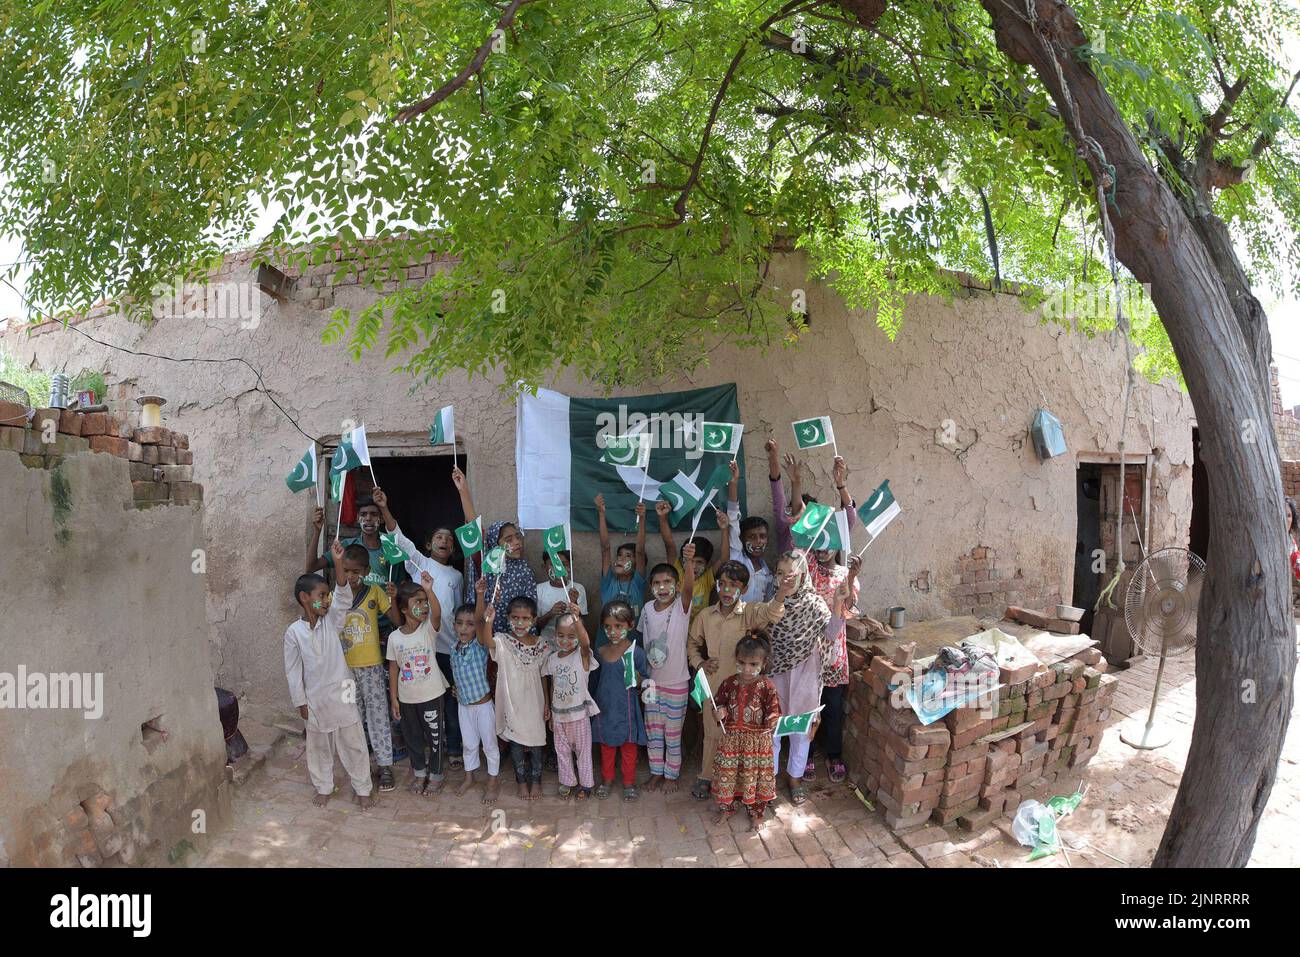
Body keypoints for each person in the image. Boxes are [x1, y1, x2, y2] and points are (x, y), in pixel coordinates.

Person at [373, 487, 467, 771]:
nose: (444, 541)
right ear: (428, 544)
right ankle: (426, 746)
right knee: (426, 698)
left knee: (450, 700)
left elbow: (458, 611)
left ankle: (452, 747)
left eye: (449, 540)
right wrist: (384, 507)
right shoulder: (420, 564)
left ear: (453, 549)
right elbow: (399, 540)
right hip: (424, 648)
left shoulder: (458, 575)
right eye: (439, 537)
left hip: (449, 648)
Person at [686, 559, 792, 799]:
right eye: (721, 584)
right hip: (714, 687)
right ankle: (706, 777)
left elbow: (772, 613)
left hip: (745, 689)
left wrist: (782, 592)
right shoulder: (705, 616)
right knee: (713, 733)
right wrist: (700, 663)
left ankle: (739, 782)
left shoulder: (750, 612)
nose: (726, 591)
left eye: (733, 585)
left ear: (743, 589)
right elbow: (692, 644)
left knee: (741, 735)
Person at [282, 541, 376, 809]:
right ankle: (324, 785)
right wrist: (300, 702)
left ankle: (362, 787)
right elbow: (293, 670)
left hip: (343, 693)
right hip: (315, 698)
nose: (326, 600)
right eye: (321, 595)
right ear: (304, 598)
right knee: (319, 745)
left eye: (327, 595)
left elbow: (344, 598)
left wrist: (337, 563)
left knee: (353, 743)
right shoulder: (294, 633)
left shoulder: (332, 622)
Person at [327, 543, 399, 793]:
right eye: (345, 571)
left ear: (367, 571)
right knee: (353, 717)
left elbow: (397, 621)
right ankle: (361, 765)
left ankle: (385, 764)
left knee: (378, 715)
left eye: (355, 572)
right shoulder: (335, 596)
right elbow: (320, 613)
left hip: (371, 665)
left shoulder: (375, 592)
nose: (350, 577)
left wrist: (393, 598)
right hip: (345, 669)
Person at [765, 551, 833, 806]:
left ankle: (794, 778)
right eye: (780, 573)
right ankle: (769, 778)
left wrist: (838, 606)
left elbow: (831, 632)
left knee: (802, 731)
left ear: (803, 575)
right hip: (775, 674)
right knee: (773, 729)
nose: (785, 578)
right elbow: (764, 628)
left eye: (791, 573)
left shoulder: (815, 604)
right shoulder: (772, 603)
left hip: (806, 674)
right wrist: (780, 596)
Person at [476, 579, 549, 800]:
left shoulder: (542, 644)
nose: (520, 623)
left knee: (537, 742)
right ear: (508, 619)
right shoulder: (503, 641)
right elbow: (486, 640)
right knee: (516, 743)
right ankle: (520, 781)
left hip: (535, 702)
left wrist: (547, 702)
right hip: (512, 700)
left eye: (526, 618)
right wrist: (489, 620)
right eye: (515, 618)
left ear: (534, 620)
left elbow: (545, 676)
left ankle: (535, 779)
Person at [709, 633, 783, 830]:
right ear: (736, 659)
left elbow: (774, 710)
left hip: (757, 745)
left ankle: (756, 812)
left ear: (764, 662)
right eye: (742, 663)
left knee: (754, 778)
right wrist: (719, 713)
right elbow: (718, 703)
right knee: (730, 776)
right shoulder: (729, 683)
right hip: (731, 742)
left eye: (753, 664)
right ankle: (727, 807)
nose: (747, 669)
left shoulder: (767, 686)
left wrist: (773, 721)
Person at [639, 543, 696, 793]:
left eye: (668, 582)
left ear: (676, 584)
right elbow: (644, 641)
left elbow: (689, 590)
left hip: (676, 684)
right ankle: (655, 773)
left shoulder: (681, 607)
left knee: (673, 734)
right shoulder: (646, 609)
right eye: (657, 583)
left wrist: (689, 563)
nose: (663, 587)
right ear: (651, 587)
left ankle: (671, 775)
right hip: (651, 683)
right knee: (653, 732)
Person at [454, 465, 536, 633]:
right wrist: (463, 490)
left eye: (517, 537)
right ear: (494, 544)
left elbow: (531, 606)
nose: (516, 542)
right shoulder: (486, 565)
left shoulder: (525, 569)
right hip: (489, 637)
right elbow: (474, 528)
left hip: (517, 639)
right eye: (508, 539)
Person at [386, 572, 448, 796]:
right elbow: (394, 668)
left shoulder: (428, 630)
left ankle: (437, 775)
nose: (424, 606)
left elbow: (438, 613)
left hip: (432, 694)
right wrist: (394, 698)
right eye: (418, 602)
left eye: (425, 602)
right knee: (412, 738)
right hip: (407, 698)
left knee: (435, 737)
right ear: (403, 609)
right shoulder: (395, 638)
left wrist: (429, 590)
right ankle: (420, 773)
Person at [808, 549, 861, 785]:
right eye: (818, 542)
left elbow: (848, 610)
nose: (822, 549)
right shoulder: (807, 570)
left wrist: (851, 576)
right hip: (808, 653)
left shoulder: (844, 574)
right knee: (807, 707)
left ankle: (833, 755)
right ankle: (805, 755)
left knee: (833, 707)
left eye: (828, 543)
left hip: (834, 655)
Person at [591, 600, 650, 802]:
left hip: (627, 710)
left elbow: (645, 678)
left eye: (619, 626)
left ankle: (628, 782)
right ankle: (607, 780)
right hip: (605, 708)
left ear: (631, 626)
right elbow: (594, 681)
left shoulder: (636, 653)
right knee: (606, 746)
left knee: (628, 747)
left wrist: (637, 678)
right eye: (608, 627)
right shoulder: (599, 653)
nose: (613, 631)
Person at [542, 608, 600, 799]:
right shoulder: (552, 660)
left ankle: (585, 784)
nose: (565, 640)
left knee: (583, 752)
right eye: (561, 636)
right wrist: (551, 709)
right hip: (559, 716)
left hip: (579, 716)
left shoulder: (582, 656)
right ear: (554, 635)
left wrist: (577, 620)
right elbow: (552, 686)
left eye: (571, 636)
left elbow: (585, 643)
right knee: (562, 751)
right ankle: (567, 781)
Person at [448, 602, 500, 803]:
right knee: (469, 744)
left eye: (469, 624)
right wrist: (456, 688)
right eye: (459, 623)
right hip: (464, 706)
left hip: (483, 707)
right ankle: (469, 776)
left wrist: (480, 596)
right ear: (453, 625)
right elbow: (458, 674)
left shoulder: (479, 646)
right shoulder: (453, 648)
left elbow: (480, 623)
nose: (463, 628)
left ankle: (492, 780)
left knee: (489, 745)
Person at [308, 494, 408, 589]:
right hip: (352, 606)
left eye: (373, 514)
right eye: (363, 514)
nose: (368, 518)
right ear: (357, 518)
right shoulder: (347, 546)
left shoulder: (391, 547)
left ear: (381, 519)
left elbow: (400, 585)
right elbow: (311, 567)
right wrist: (317, 531)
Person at [723, 457, 775, 602]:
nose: (758, 541)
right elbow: (732, 519)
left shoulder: (768, 574)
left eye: (762, 536)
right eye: (752, 537)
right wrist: (733, 483)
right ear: (741, 539)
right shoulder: (737, 557)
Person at [656, 499, 718, 620]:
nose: (693, 566)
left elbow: (725, 558)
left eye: (699, 562)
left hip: (696, 635)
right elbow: (669, 544)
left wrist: (725, 530)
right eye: (690, 560)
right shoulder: (676, 569)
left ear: (707, 564)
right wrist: (663, 518)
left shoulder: (707, 579)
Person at [596, 494, 648, 634]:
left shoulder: (638, 583)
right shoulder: (608, 581)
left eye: (628, 556)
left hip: (632, 644)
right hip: (606, 644)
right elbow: (605, 548)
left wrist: (642, 519)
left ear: (637, 565)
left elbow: (640, 551)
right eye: (619, 555)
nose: (620, 559)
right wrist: (601, 514)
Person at [536, 550, 588, 649]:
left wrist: (574, 603)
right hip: (546, 646)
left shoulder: (577, 589)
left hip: (571, 646)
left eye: (564, 564)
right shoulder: (539, 590)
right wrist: (551, 613)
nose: (558, 568)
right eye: (552, 564)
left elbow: (583, 625)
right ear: (544, 567)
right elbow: (536, 626)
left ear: (571, 567)